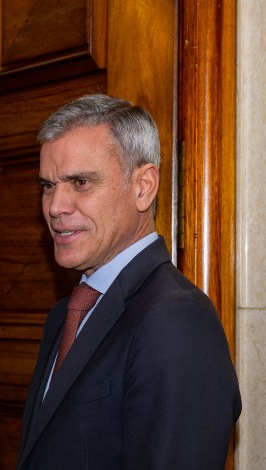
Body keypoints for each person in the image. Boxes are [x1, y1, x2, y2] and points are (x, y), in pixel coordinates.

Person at [17, 94, 241, 470]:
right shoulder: (66, 313)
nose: (55, 207)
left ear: (143, 187)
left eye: (80, 182)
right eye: (48, 186)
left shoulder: (177, 319)